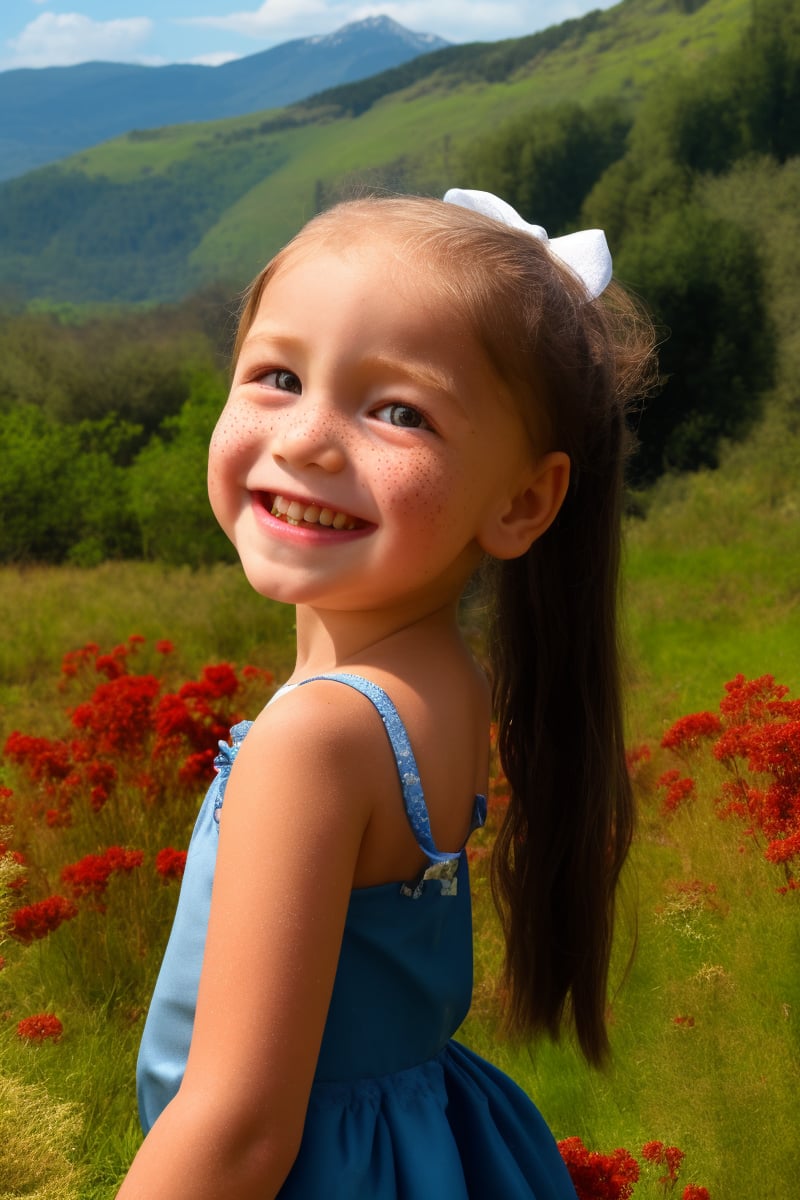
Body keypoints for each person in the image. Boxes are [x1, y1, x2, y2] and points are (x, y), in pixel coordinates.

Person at [118, 188, 655, 1199]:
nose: (310, 440)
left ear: (522, 499)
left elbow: (234, 1129)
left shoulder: (317, 736)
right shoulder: (439, 682)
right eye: (277, 377)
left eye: (396, 411)